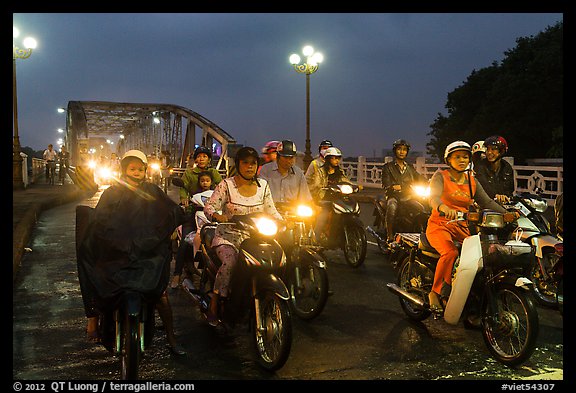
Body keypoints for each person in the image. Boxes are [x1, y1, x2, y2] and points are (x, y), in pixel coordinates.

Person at [77, 149, 187, 355]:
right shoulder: (112, 193)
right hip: (117, 252)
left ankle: (171, 338)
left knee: (160, 294)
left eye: (140, 169)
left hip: (147, 252)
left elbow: (170, 210)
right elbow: (100, 220)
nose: (136, 173)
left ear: (145, 170)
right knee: (96, 276)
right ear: (124, 169)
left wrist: (178, 217)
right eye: (132, 169)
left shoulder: (153, 191)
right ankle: (94, 319)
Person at [426, 141, 511, 312]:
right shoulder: (440, 176)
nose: (462, 160)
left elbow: (486, 201)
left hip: (462, 227)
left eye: (465, 157)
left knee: (479, 257)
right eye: (457, 157)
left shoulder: (471, 181)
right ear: (448, 159)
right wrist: (443, 208)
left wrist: (507, 214)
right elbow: (433, 198)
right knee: (450, 253)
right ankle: (435, 292)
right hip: (440, 225)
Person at [203, 146, 283, 326]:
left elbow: (272, 211)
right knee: (230, 261)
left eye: (253, 163)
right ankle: (215, 304)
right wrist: (218, 216)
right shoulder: (227, 185)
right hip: (229, 236)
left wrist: (284, 222)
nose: (249, 167)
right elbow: (209, 207)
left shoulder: (263, 186)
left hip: (256, 237)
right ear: (238, 165)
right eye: (245, 163)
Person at [171, 146, 223, 288]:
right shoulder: (189, 173)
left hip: (211, 211)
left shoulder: (214, 173)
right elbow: (183, 187)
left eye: (204, 156)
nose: (201, 159)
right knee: (186, 239)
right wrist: (184, 199)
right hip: (194, 210)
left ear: (209, 159)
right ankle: (176, 274)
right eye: (199, 156)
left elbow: (221, 187)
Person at [380, 139, 427, 247]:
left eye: (404, 150)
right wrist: (392, 187)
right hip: (394, 196)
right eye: (399, 149)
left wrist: (430, 182)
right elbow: (386, 183)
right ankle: (390, 236)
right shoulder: (388, 167)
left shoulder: (409, 167)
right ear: (395, 151)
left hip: (408, 196)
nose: (402, 152)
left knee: (422, 208)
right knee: (391, 207)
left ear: (407, 152)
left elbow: (418, 177)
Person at [308, 146, 352, 242]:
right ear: (328, 159)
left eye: (338, 158)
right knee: (324, 214)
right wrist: (320, 188)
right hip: (324, 196)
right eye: (333, 158)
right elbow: (316, 183)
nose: (336, 161)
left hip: (337, 196)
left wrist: (354, 186)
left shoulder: (339, 171)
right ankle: (316, 236)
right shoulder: (321, 170)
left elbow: (345, 180)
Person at [474, 135, 515, 205]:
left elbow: (509, 190)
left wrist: (505, 197)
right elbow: (483, 186)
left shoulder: (507, 167)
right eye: (487, 149)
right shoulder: (480, 166)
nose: (489, 152)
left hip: (503, 204)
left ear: (501, 151)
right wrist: (495, 195)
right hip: (484, 204)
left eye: (493, 149)